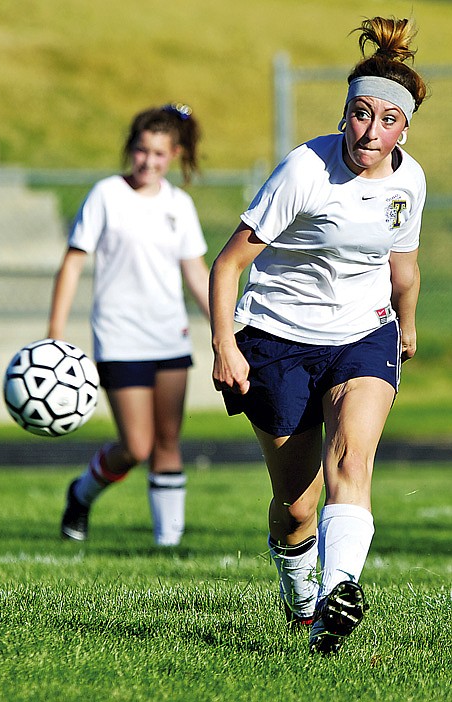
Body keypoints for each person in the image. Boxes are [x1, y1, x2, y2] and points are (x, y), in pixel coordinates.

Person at [210, 17, 427, 654]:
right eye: (361, 114)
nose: (371, 130)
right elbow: (228, 264)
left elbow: (403, 265)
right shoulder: (304, 170)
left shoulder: (407, 181)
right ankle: (302, 592)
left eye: (388, 120)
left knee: (352, 462)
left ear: (403, 130)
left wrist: (406, 325)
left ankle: (338, 592)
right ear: (345, 114)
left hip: (364, 332)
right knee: (297, 506)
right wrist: (225, 345)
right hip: (277, 337)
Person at [49, 103, 209, 547]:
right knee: (136, 447)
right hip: (120, 338)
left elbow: (196, 274)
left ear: (173, 155)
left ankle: (168, 545)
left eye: (159, 154)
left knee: (168, 442)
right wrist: (55, 333)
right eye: (142, 151)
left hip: (170, 335)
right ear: (130, 149)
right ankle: (81, 493)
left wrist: (224, 333)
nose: (149, 162)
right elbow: (73, 262)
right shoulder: (106, 195)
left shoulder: (180, 204)